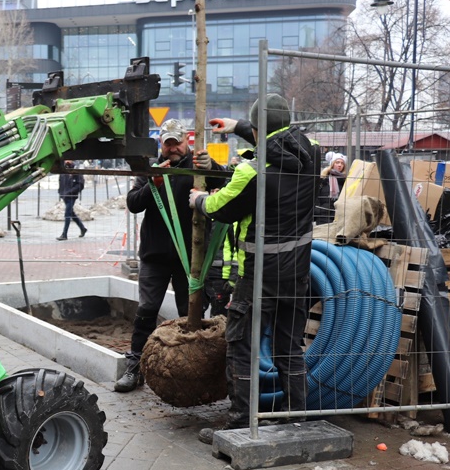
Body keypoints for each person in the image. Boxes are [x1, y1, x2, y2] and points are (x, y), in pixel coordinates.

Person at [192, 94, 318, 441]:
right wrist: (237, 127)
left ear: (259, 129)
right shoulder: (313, 153)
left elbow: (222, 207)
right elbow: (279, 137)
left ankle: (239, 423)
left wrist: (199, 200)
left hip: (258, 276)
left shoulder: (252, 171)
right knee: (288, 348)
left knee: (242, 346)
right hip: (297, 274)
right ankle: (296, 420)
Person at [114, 119, 225, 393]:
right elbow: (133, 203)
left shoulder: (198, 166)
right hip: (155, 255)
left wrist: (212, 167)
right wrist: (154, 184)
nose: (173, 149)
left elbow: (228, 180)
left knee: (190, 313)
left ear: (186, 140)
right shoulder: (153, 169)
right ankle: (135, 365)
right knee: (146, 310)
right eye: (168, 144)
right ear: (162, 145)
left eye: (177, 143)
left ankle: (195, 369)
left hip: (192, 256)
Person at [57, 161, 87, 240]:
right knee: (71, 214)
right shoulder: (63, 169)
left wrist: (70, 192)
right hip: (65, 196)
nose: (67, 161)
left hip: (71, 196)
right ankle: (83, 228)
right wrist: (61, 192)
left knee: (67, 214)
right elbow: (61, 182)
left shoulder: (76, 171)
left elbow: (80, 185)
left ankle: (64, 234)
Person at [315, 152, 347, 224]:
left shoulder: (345, 181)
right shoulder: (323, 179)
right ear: (332, 164)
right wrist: (318, 211)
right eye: (337, 162)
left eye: (342, 163)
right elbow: (315, 195)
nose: (340, 165)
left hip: (339, 216)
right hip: (323, 216)